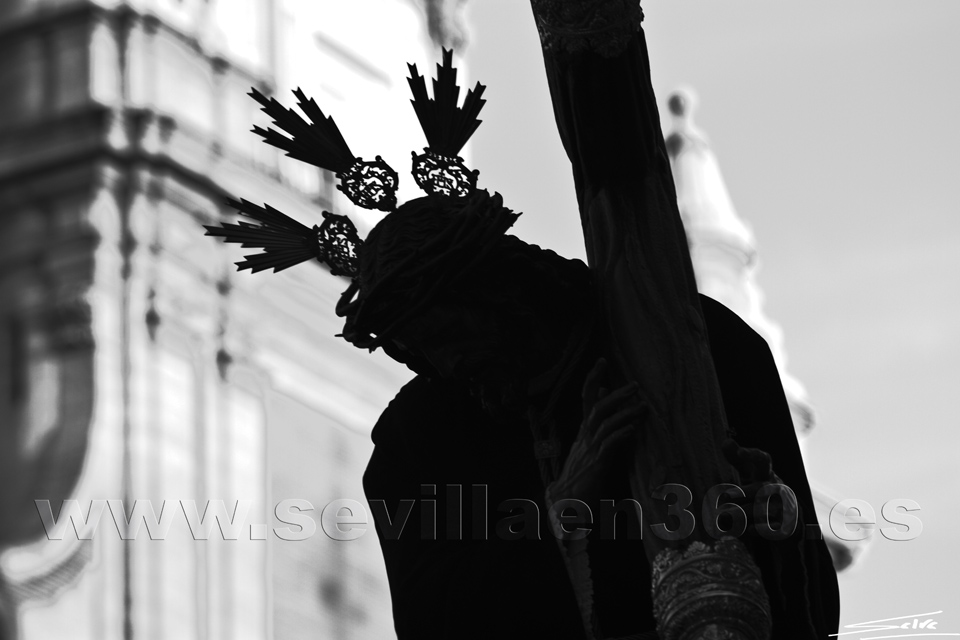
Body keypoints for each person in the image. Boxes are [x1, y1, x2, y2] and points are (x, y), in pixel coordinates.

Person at [206, 2, 840, 637]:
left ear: (497, 289)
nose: (451, 366)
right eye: (422, 354)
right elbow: (436, 625)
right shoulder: (419, 439)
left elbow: (810, 589)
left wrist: (767, 511)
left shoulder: (703, 341)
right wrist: (560, 508)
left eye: (449, 336)